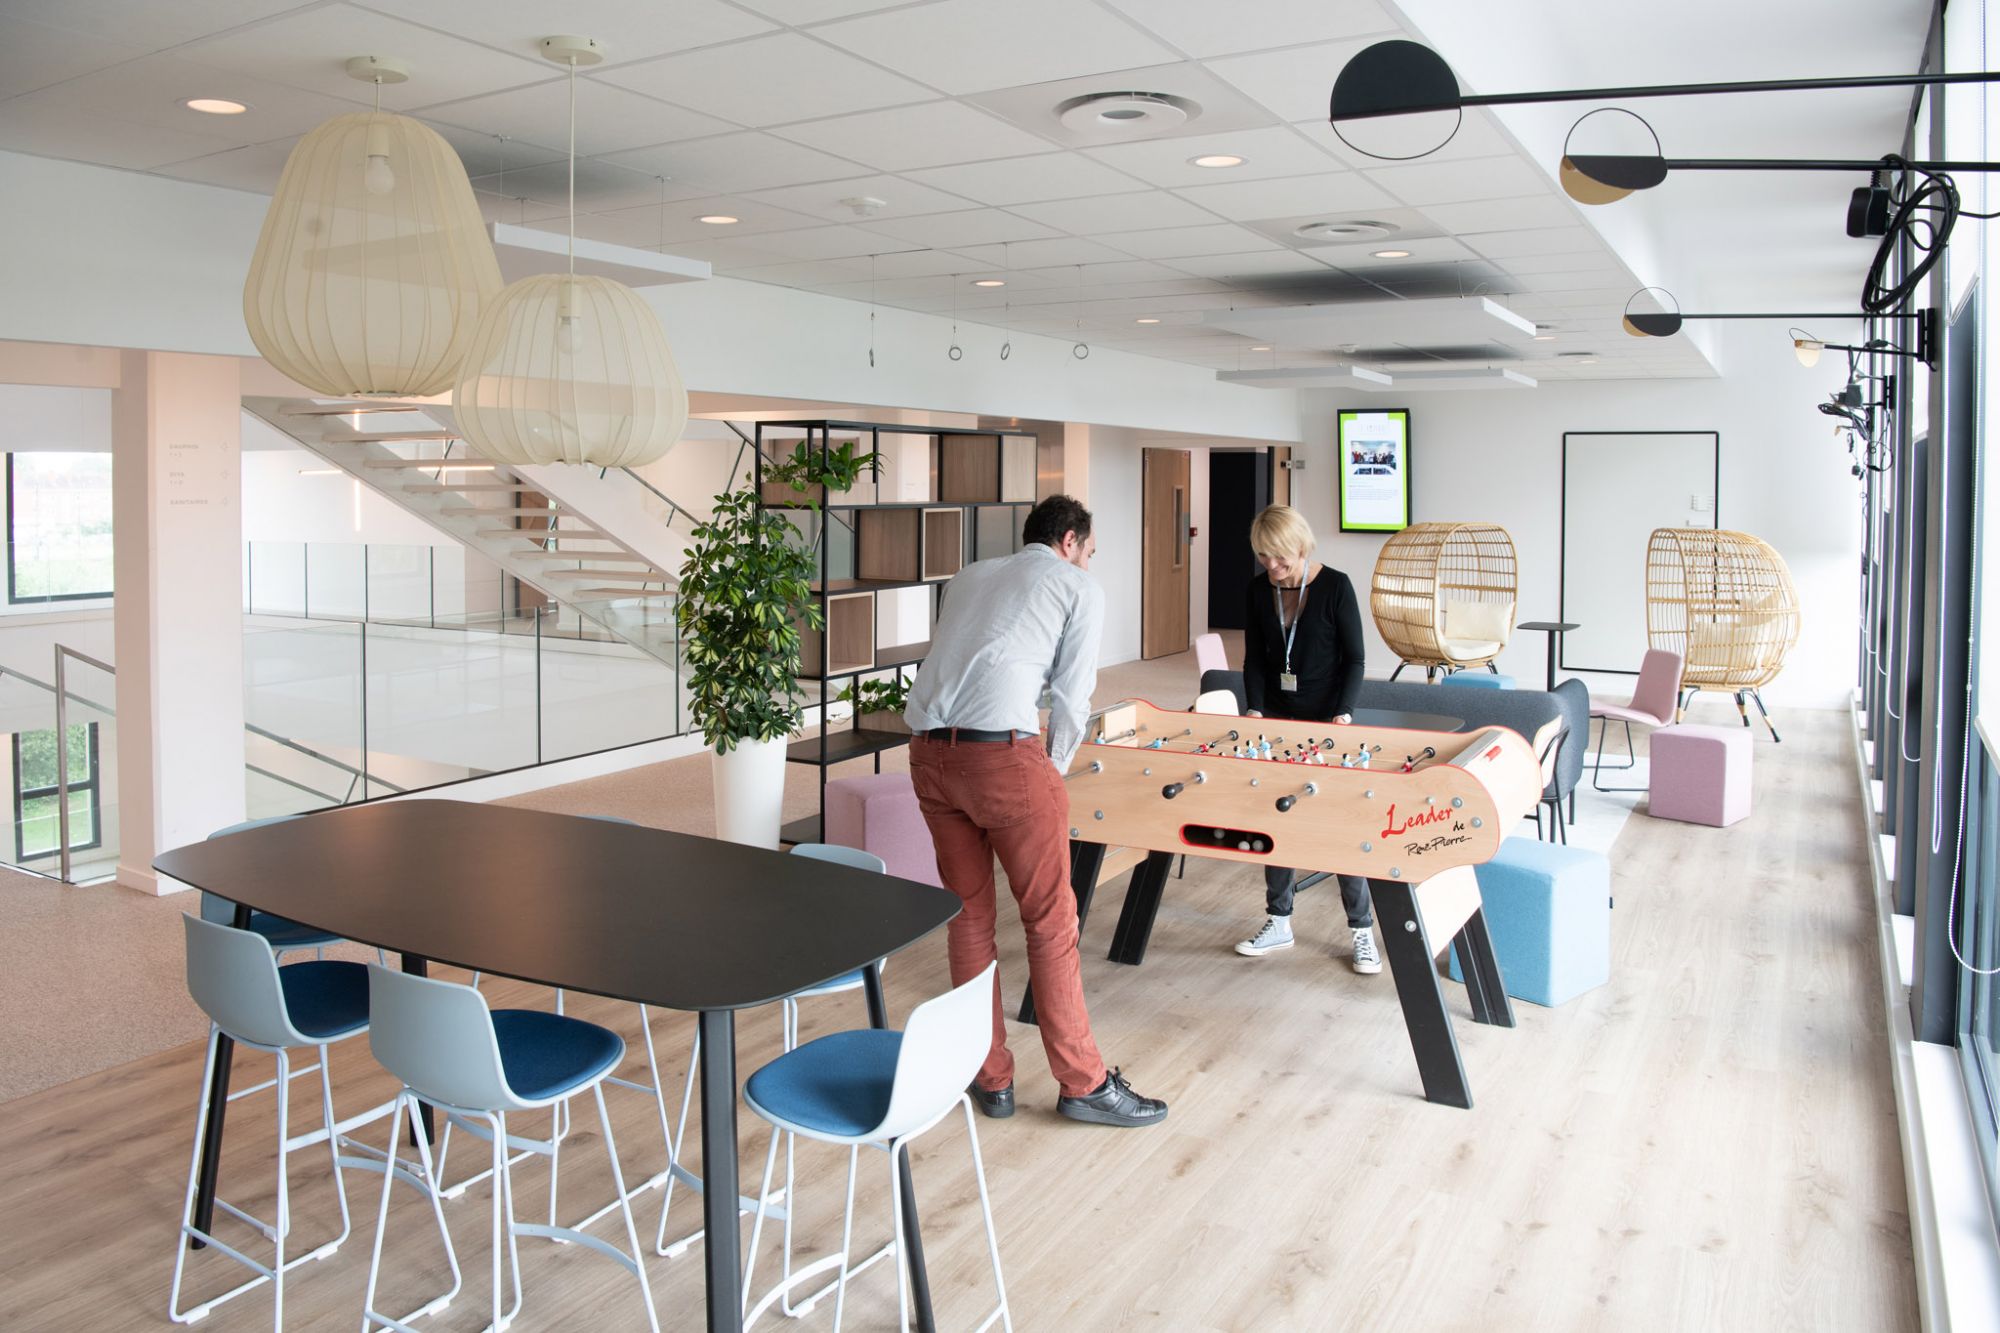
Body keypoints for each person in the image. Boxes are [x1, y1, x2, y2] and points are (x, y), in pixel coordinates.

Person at [903, 495, 1168, 1128]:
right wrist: (1053, 767)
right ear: (1070, 541)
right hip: (1003, 759)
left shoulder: (968, 575)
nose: (1089, 562)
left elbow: (971, 658)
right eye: (1090, 551)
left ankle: (988, 1077)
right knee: (1051, 921)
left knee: (969, 918)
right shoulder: (1076, 586)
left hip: (928, 755)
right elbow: (1074, 694)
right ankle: (1084, 1084)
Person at [1234, 504, 1381, 976]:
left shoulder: (1335, 586)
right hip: (1278, 716)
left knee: (1339, 825)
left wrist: (1343, 714)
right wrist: (1255, 709)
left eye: (1279, 556)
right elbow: (1255, 658)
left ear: (1300, 547)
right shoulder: (1259, 589)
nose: (1271, 566)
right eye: (1263, 556)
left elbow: (1355, 659)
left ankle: (1361, 931)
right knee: (1276, 819)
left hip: (1328, 719)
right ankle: (1279, 921)